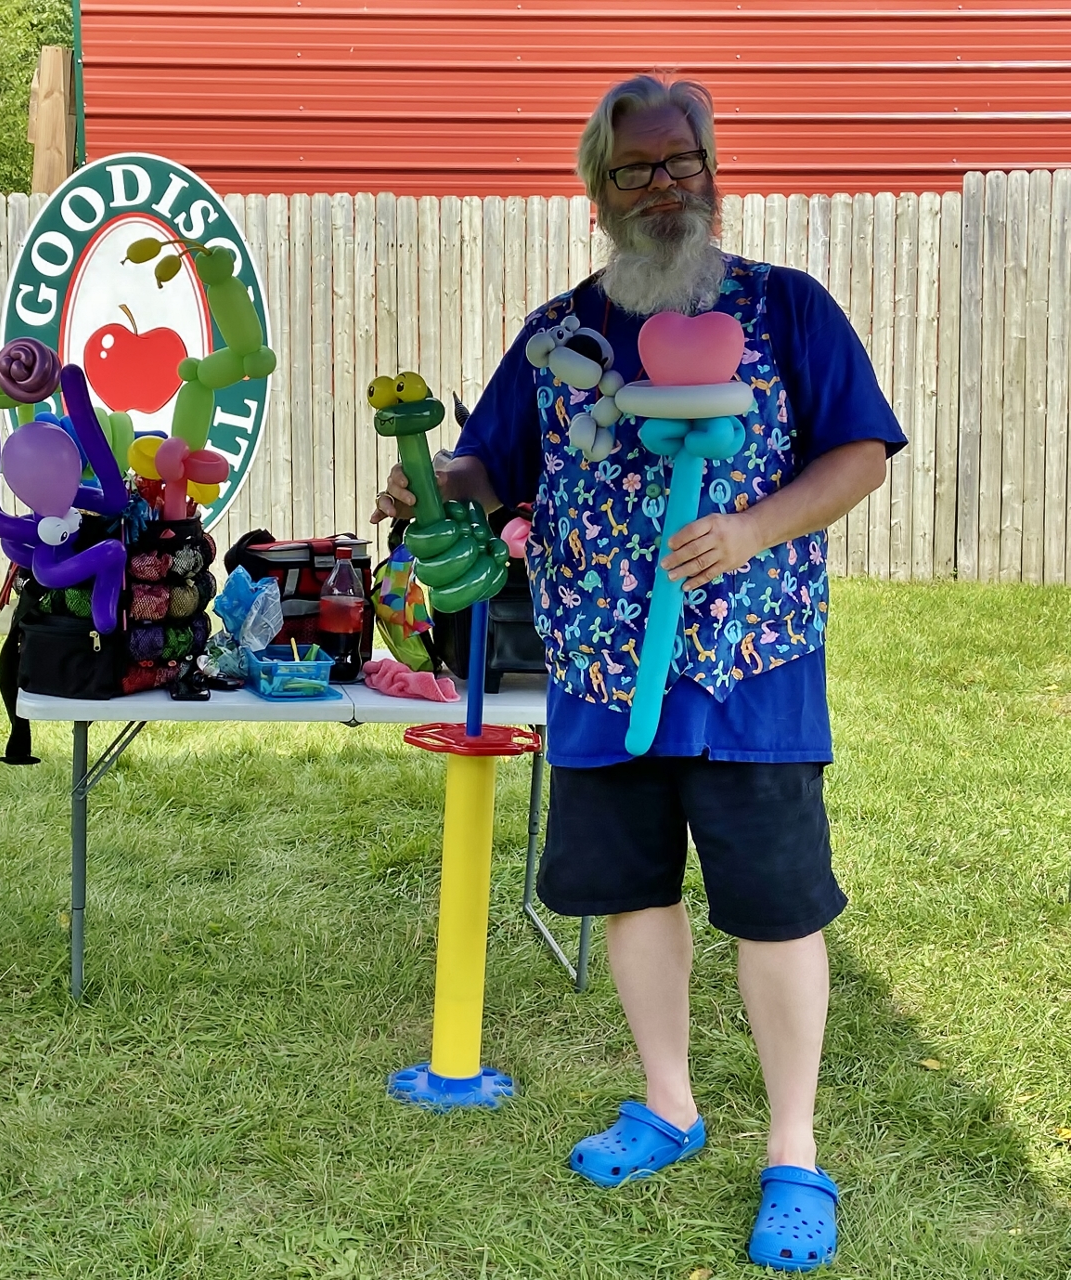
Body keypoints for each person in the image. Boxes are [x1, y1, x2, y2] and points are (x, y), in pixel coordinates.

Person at [372, 72, 906, 1272]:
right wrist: (430, 482)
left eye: (682, 165)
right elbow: (491, 465)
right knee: (631, 893)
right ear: (596, 191)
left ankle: (793, 1150)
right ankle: (666, 1101)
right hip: (601, 667)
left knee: (773, 911)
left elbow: (860, 451)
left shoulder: (785, 312)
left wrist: (755, 527)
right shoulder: (558, 333)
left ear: (713, 177)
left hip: (747, 667)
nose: (664, 188)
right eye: (636, 170)